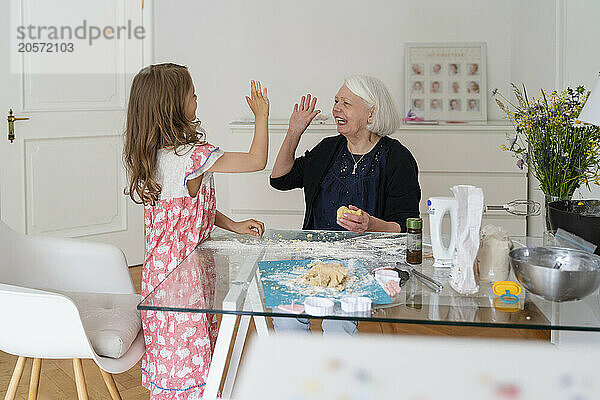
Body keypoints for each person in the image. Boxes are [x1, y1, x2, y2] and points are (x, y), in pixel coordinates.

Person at [123, 63, 269, 399]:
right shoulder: (193, 157)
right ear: (174, 105)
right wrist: (261, 116)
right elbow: (255, 159)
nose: (197, 98)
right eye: (192, 93)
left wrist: (231, 225)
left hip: (157, 274)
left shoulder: (149, 156)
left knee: (172, 358)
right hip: (186, 276)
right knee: (194, 354)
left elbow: (185, 213)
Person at [270, 75, 421, 335]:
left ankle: (334, 373)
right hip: (315, 259)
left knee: (337, 320)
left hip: (368, 263)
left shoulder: (398, 158)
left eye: (347, 103)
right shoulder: (328, 149)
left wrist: (370, 224)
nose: (337, 109)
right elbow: (280, 179)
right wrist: (294, 131)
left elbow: (406, 228)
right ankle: (299, 372)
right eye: (336, 101)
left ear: (371, 113)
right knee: (285, 315)